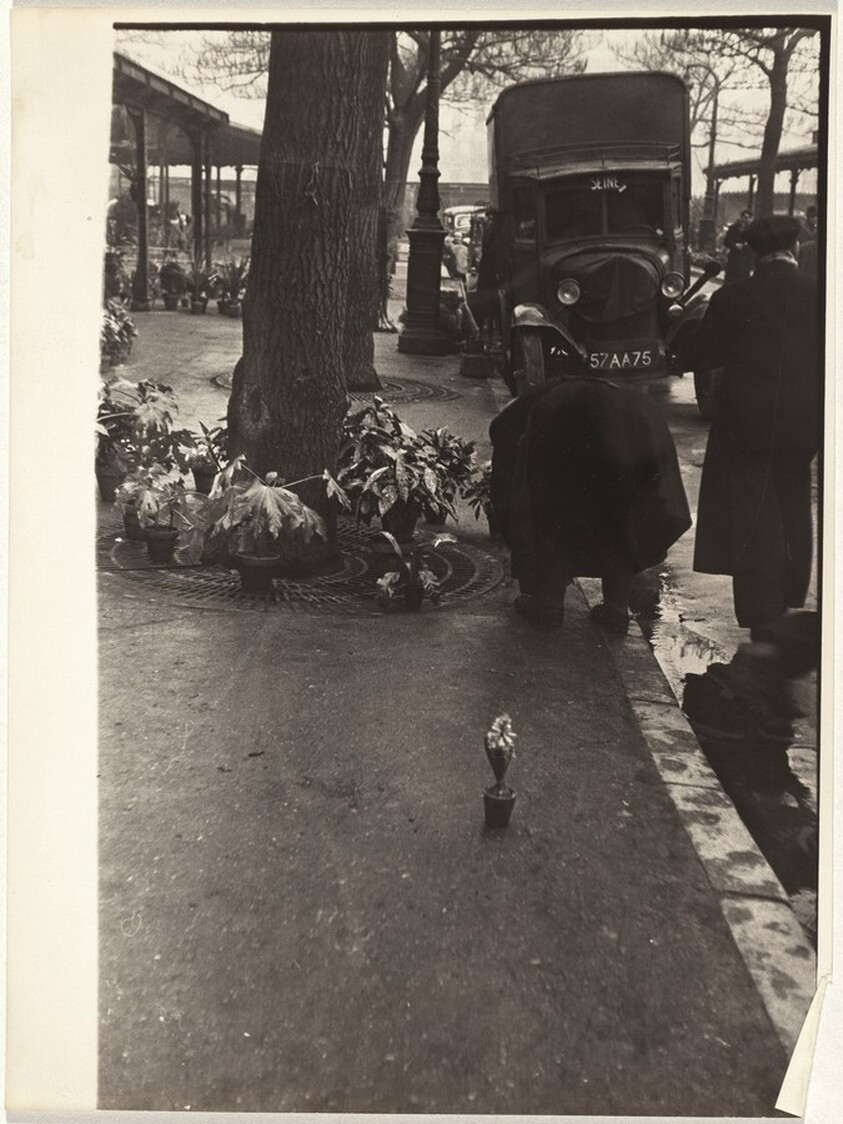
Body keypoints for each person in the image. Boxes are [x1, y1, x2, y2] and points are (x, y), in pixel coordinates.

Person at [677, 214, 820, 638]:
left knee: (754, 518)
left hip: (745, 428)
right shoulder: (821, 294)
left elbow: (697, 356)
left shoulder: (733, 297)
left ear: (753, 254)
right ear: (795, 249)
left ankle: (763, 618)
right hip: (803, 425)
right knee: (795, 506)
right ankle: (792, 599)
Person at [489, 378, 691, 633]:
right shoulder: (619, 392)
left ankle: (549, 604)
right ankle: (617, 609)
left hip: (571, 421)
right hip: (636, 421)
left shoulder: (530, 408)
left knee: (551, 512)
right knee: (619, 516)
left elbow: (510, 457)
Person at [723, 209, 754, 284]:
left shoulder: (752, 230)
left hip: (746, 258)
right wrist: (734, 245)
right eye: (745, 217)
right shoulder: (733, 228)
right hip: (734, 257)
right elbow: (726, 242)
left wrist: (748, 247)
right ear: (741, 218)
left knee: (744, 280)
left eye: (749, 218)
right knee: (731, 279)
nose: (747, 220)